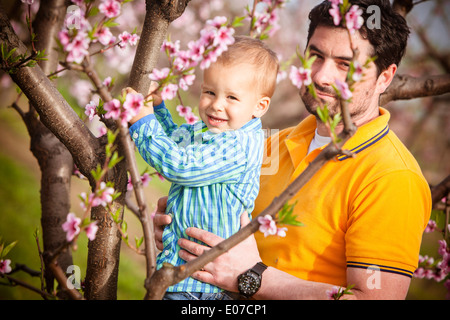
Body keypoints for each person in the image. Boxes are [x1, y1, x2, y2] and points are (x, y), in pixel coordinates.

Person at [154, 0, 432, 299]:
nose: (321, 76)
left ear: (385, 77)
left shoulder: (391, 178)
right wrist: (184, 222)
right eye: (316, 55)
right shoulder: (270, 144)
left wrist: (252, 276)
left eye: (345, 64)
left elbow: (374, 298)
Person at [128, 36, 279, 300]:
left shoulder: (239, 146)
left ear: (259, 106)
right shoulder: (213, 130)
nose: (216, 104)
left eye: (232, 97)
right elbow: (176, 141)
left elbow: (181, 166)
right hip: (183, 276)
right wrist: (158, 109)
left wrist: (143, 122)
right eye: (209, 92)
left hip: (201, 288)